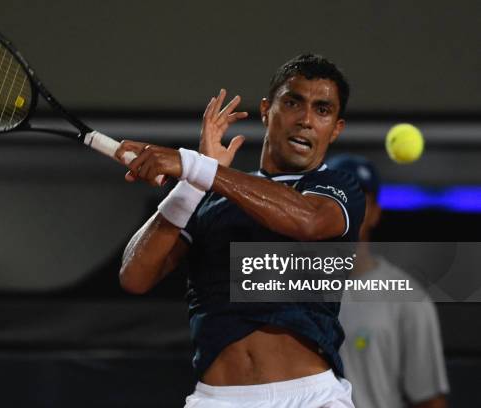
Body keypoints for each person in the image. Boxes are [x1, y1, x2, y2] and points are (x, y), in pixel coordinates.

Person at [115, 54, 366, 407]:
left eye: (322, 110)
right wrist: (190, 186)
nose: (306, 120)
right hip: (218, 400)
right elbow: (135, 276)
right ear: (267, 110)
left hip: (312, 398)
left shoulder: (337, 189)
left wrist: (196, 167)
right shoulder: (209, 195)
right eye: (293, 102)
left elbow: (307, 221)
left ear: (336, 128)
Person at [327, 154, 450, 408]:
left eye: (360, 200)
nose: (349, 208)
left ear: (375, 213)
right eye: (337, 197)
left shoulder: (408, 299)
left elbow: (430, 400)